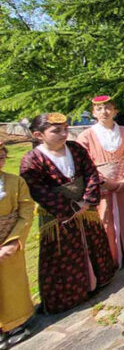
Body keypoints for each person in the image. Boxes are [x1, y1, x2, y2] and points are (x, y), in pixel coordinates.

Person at [19, 113, 116, 313]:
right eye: (56, 131)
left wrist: (87, 201)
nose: (64, 134)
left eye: (66, 129)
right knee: (65, 255)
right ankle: (71, 296)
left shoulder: (75, 148)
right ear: (38, 134)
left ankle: (99, 280)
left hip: (85, 210)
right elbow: (38, 190)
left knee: (94, 244)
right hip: (59, 217)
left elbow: (90, 173)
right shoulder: (31, 160)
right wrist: (72, 208)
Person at [76, 96, 124, 267]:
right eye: (99, 109)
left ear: (115, 110)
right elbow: (84, 164)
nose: (104, 112)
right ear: (94, 113)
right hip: (101, 186)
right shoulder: (86, 136)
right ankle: (110, 259)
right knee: (106, 222)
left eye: (108, 108)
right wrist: (105, 182)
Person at [0, 142, 34, 348]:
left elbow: (26, 212)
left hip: (9, 240)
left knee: (13, 283)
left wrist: (13, 241)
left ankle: (17, 323)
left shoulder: (15, 182)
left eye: (1, 155)